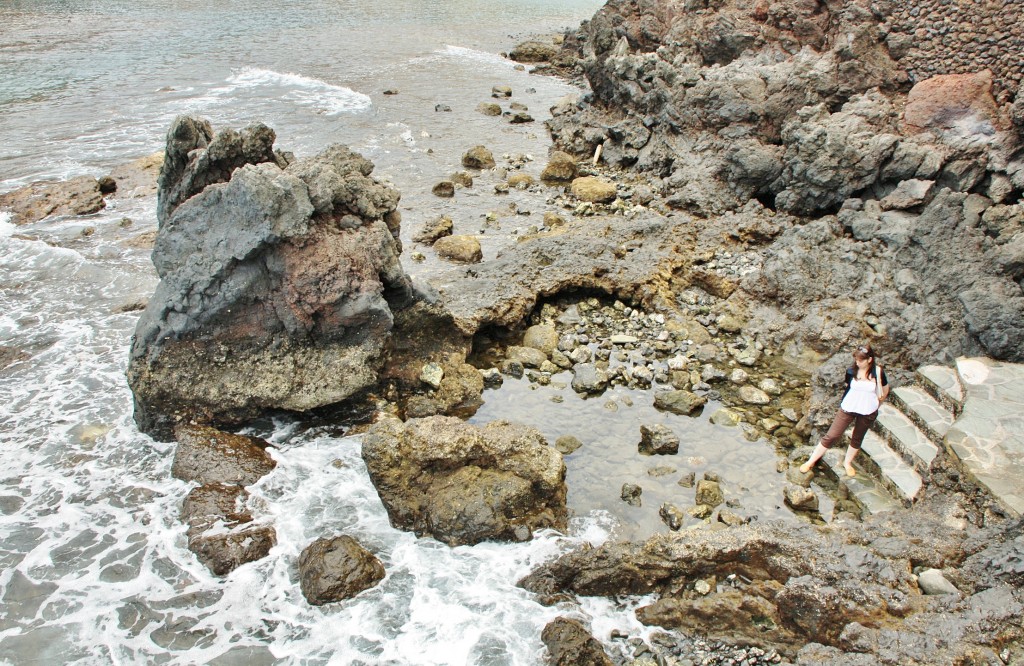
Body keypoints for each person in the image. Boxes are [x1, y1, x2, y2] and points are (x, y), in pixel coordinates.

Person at [800, 344, 890, 477]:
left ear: (869, 359)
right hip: (849, 407)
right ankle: (811, 461)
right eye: (856, 360)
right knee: (832, 435)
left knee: (857, 437)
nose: (858, 363)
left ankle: (847, 463)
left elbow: (885, 390)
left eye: (861, 360)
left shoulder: (878, 372)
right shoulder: (851, 371)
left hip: (868, 410)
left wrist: (877, 405)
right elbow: (848, 387)